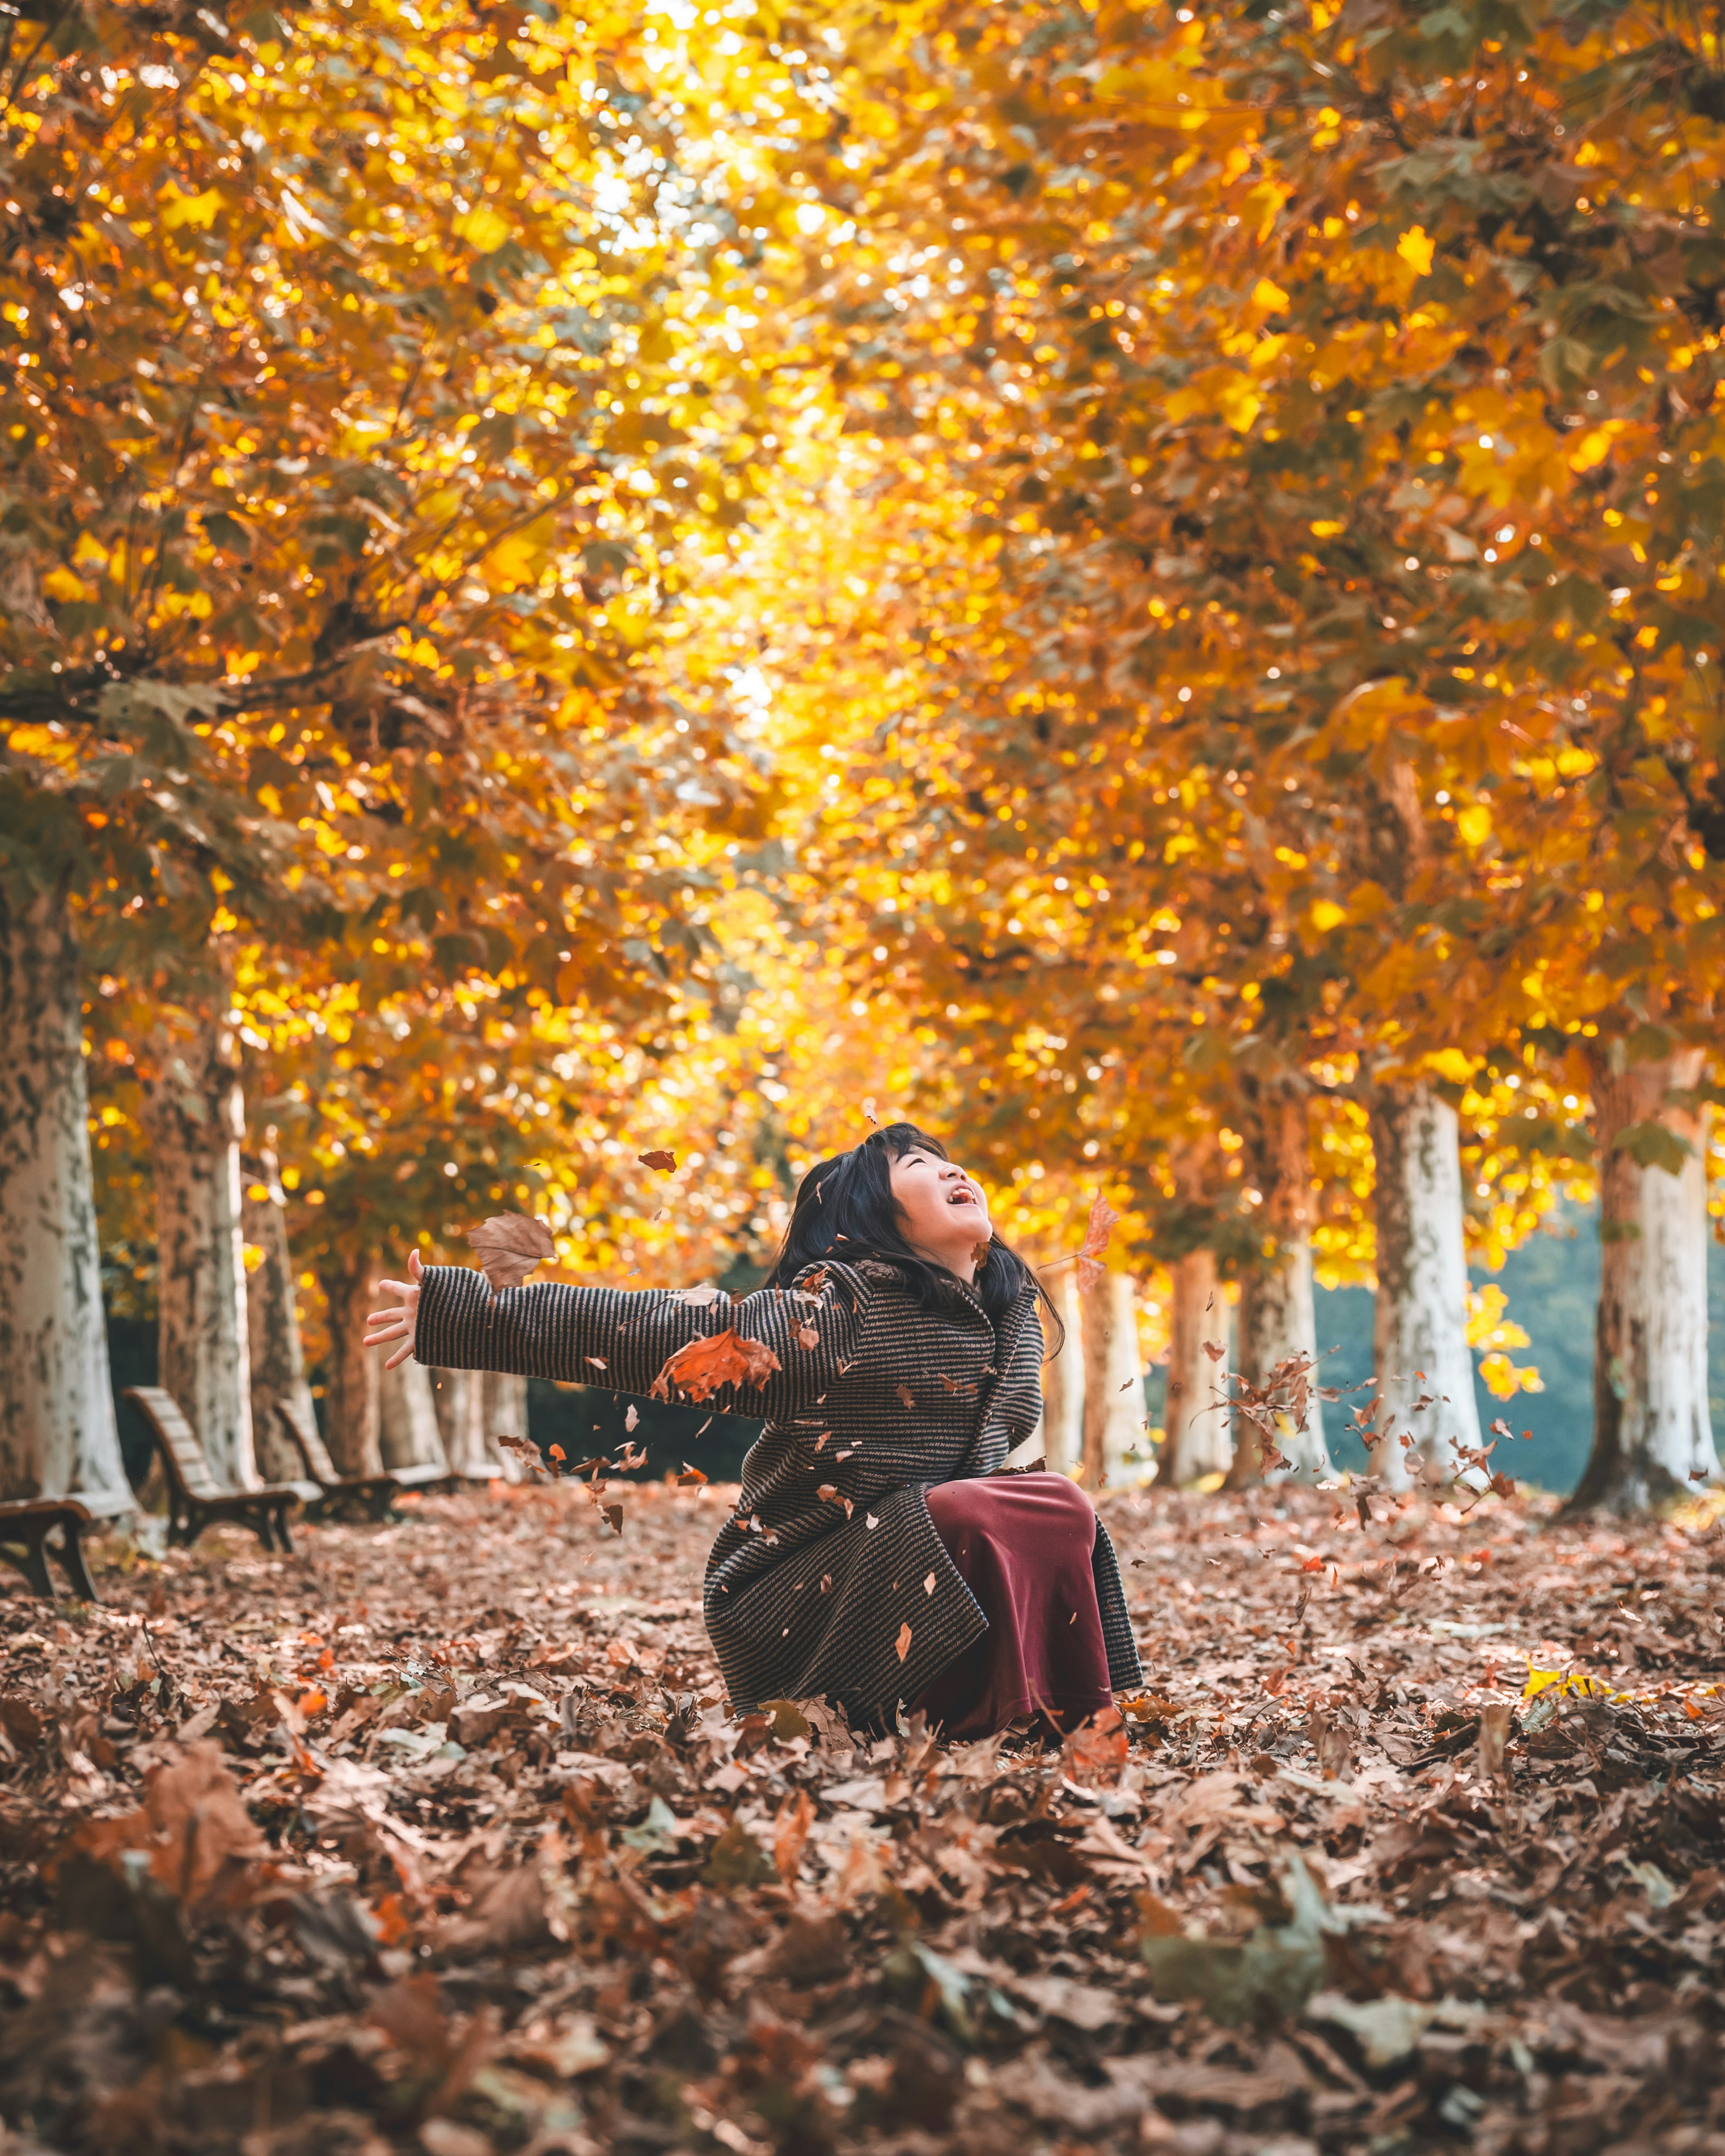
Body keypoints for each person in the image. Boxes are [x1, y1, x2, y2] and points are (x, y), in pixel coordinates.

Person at [363, 1122, 1142, 1739]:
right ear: (874, 1218)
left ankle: (1063, 1715)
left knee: (1054, 1501)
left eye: (945, 1159)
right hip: (795, 1600)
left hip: (910, 1566)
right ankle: (962, 1715)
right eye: (915, 1165)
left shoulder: (1010, 1320)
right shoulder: (839, 1313)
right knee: (980, 1510)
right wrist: (463, 1311)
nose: (948, 1169)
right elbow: (655, 1330)